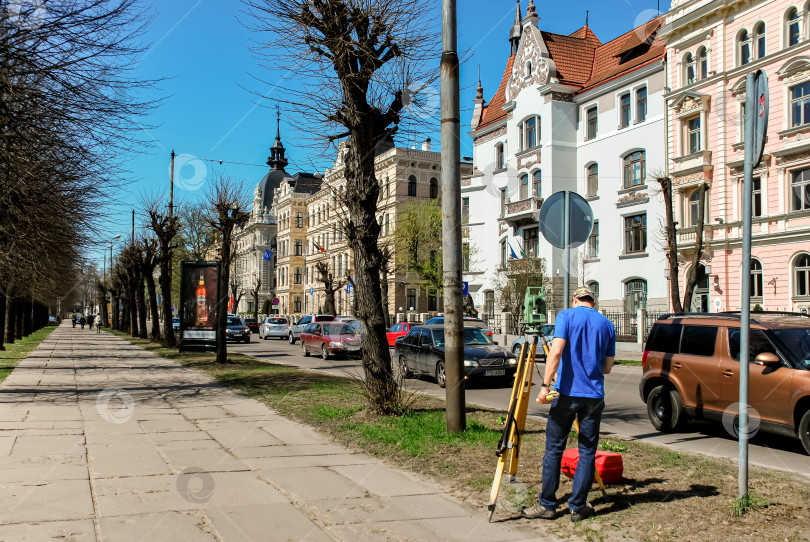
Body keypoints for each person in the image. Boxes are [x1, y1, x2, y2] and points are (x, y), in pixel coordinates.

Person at [523, 286, 615, 523]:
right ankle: (578, 506)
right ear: (592, 302)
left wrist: (545, 385)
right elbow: (607, 367)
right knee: (587, 451)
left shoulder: (565, 315)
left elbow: (555, 352)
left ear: (575, 299)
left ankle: (548, 505)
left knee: (554, 448)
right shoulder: (607, 324)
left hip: (566, 395)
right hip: (594, 397)